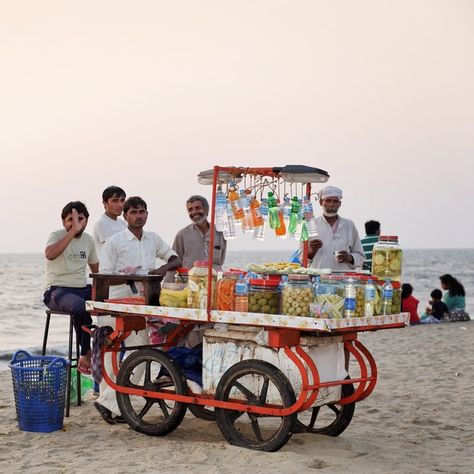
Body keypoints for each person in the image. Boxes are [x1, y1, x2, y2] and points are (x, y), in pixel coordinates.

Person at [94, 196, 181, 424]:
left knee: (142, 352)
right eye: (133, 212)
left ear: (147, 215)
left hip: (143, 304)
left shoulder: (153, 239)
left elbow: (174, 258)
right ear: (126, 216)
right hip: (115, 304)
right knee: (110, 356)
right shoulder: (114, 242)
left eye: (142, 212)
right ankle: (109, 403)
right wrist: (128, 276)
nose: (138, 216)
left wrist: (160, 269)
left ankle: (109, 402)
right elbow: (103, 277)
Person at [43, 201, 99, 374]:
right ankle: (85, 353)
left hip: (82, 288)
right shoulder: (56, 235)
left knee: (111, 301)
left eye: (80, 219)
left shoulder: (88, 240)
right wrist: (73, 232)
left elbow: (96, 272)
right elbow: (50, 254)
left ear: (86, 220)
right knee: (80, 307)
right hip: (57, 290)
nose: (75, 223)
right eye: (70, 220)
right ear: (63, 222)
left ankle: (104, 344)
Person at [164, 194, 227, 282]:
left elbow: (221, 261)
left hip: (214, 284)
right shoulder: (182, 234)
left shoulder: (220, 233)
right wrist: (166, 288)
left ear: (206, 210)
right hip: (190, 285)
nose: (194, 212)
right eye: (190, 210)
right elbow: (174, 263)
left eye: (198, 208)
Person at [308, 186, 365, 271]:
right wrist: (312, 251)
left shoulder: (349, 225)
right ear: (321, 202)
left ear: (339, 204)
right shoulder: (311, 224)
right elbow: (301, 258)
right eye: (328, 200)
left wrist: (350, 258)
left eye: (335, 201)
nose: (331, 204)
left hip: (343, 279)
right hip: (318, 278)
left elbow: (361, 257)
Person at [93, 185, 127, 255]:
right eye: (115, 201)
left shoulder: (123, 224)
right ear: (105, 203)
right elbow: (113, 251)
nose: (120, 205)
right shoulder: (101, 224)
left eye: (122, 200)